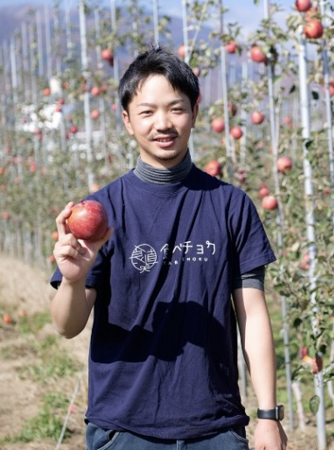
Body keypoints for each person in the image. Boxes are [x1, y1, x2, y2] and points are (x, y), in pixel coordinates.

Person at [50, 46, 288, 450]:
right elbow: (66, 326)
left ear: (195, 112)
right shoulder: (102, 212)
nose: (163, 123)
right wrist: (74, 279)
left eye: (176, 109)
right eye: (147, 112)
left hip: (216, 427)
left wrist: (268, 415)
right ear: (127, 121)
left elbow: (253, 315)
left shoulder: (231, 205)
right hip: (125, 429)